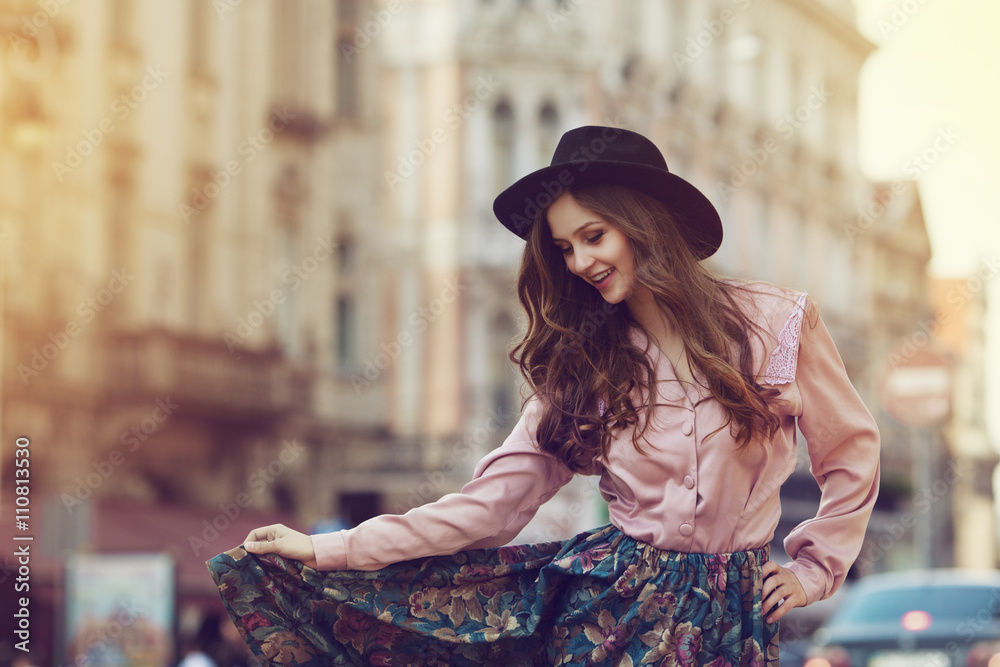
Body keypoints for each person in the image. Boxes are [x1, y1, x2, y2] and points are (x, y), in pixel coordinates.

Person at [207, 125, 880, 665]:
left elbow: (850, 450)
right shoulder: (582, 368)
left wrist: (816, 567)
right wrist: (330, 549)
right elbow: (491, 506)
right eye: (564, 248)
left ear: (644, 223)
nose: (581, 262)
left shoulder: (775, 324)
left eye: (594, 235)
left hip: (735, 620)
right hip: (609, 620)